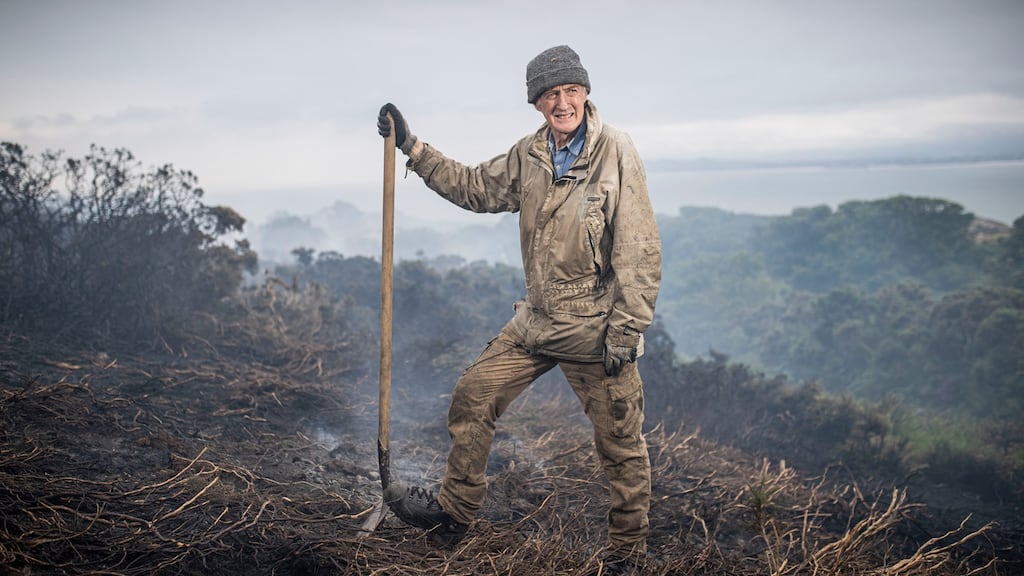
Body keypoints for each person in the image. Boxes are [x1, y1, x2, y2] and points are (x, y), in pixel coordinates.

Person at [377, 45, 661, 574]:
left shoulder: (616, 150)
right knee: (473, 394)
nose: (562, 102)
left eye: (571, 90)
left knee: (620, 443)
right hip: (536, 319)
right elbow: (473, 187)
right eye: (551, 94)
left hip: (595, 328)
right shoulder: (529, 155)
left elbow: (639, 247)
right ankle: (454, 511)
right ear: (536, 103)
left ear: (585, 93)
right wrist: (413, 148)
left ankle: (628, 555)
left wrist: (627, 330)